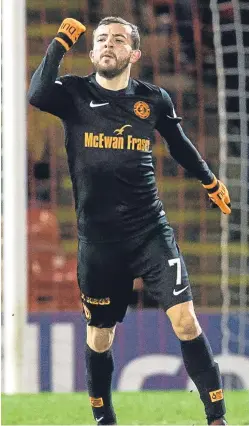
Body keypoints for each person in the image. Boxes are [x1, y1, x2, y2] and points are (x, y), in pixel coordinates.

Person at [28, 16, 231, 426]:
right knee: (100, 336)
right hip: (99, 243)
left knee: (186, 319)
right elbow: (36, 94)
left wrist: (209, 180)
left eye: (118, 40)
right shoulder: (73, 93)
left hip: (149, 231)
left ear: (134, 54)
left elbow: (180, 145)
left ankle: (217, 417)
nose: (108, 44)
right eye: (101, 39)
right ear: (91, 50)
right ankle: (104, 417)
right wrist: (58, 44)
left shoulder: (152, 100)